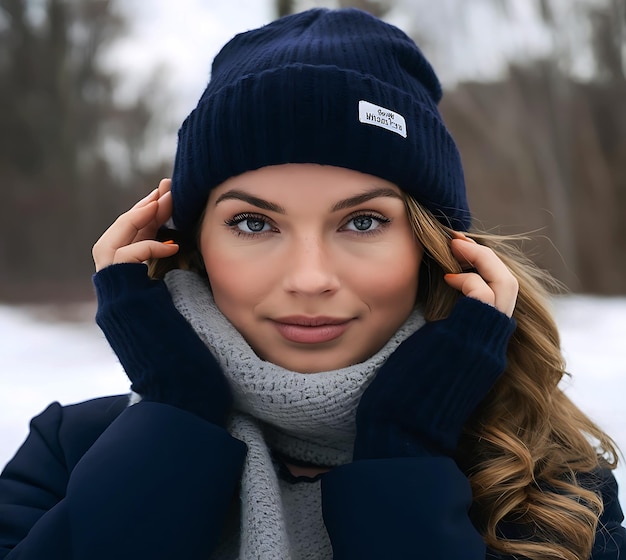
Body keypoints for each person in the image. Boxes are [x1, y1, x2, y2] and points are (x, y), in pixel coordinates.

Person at [0, 7, 623, 560]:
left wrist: (402, 451)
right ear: (192, 246)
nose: (309, 278)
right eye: (252, 222)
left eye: (362, 221)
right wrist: (178, 411)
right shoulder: (68, 454)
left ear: (435, 247)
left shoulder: (553, 493)